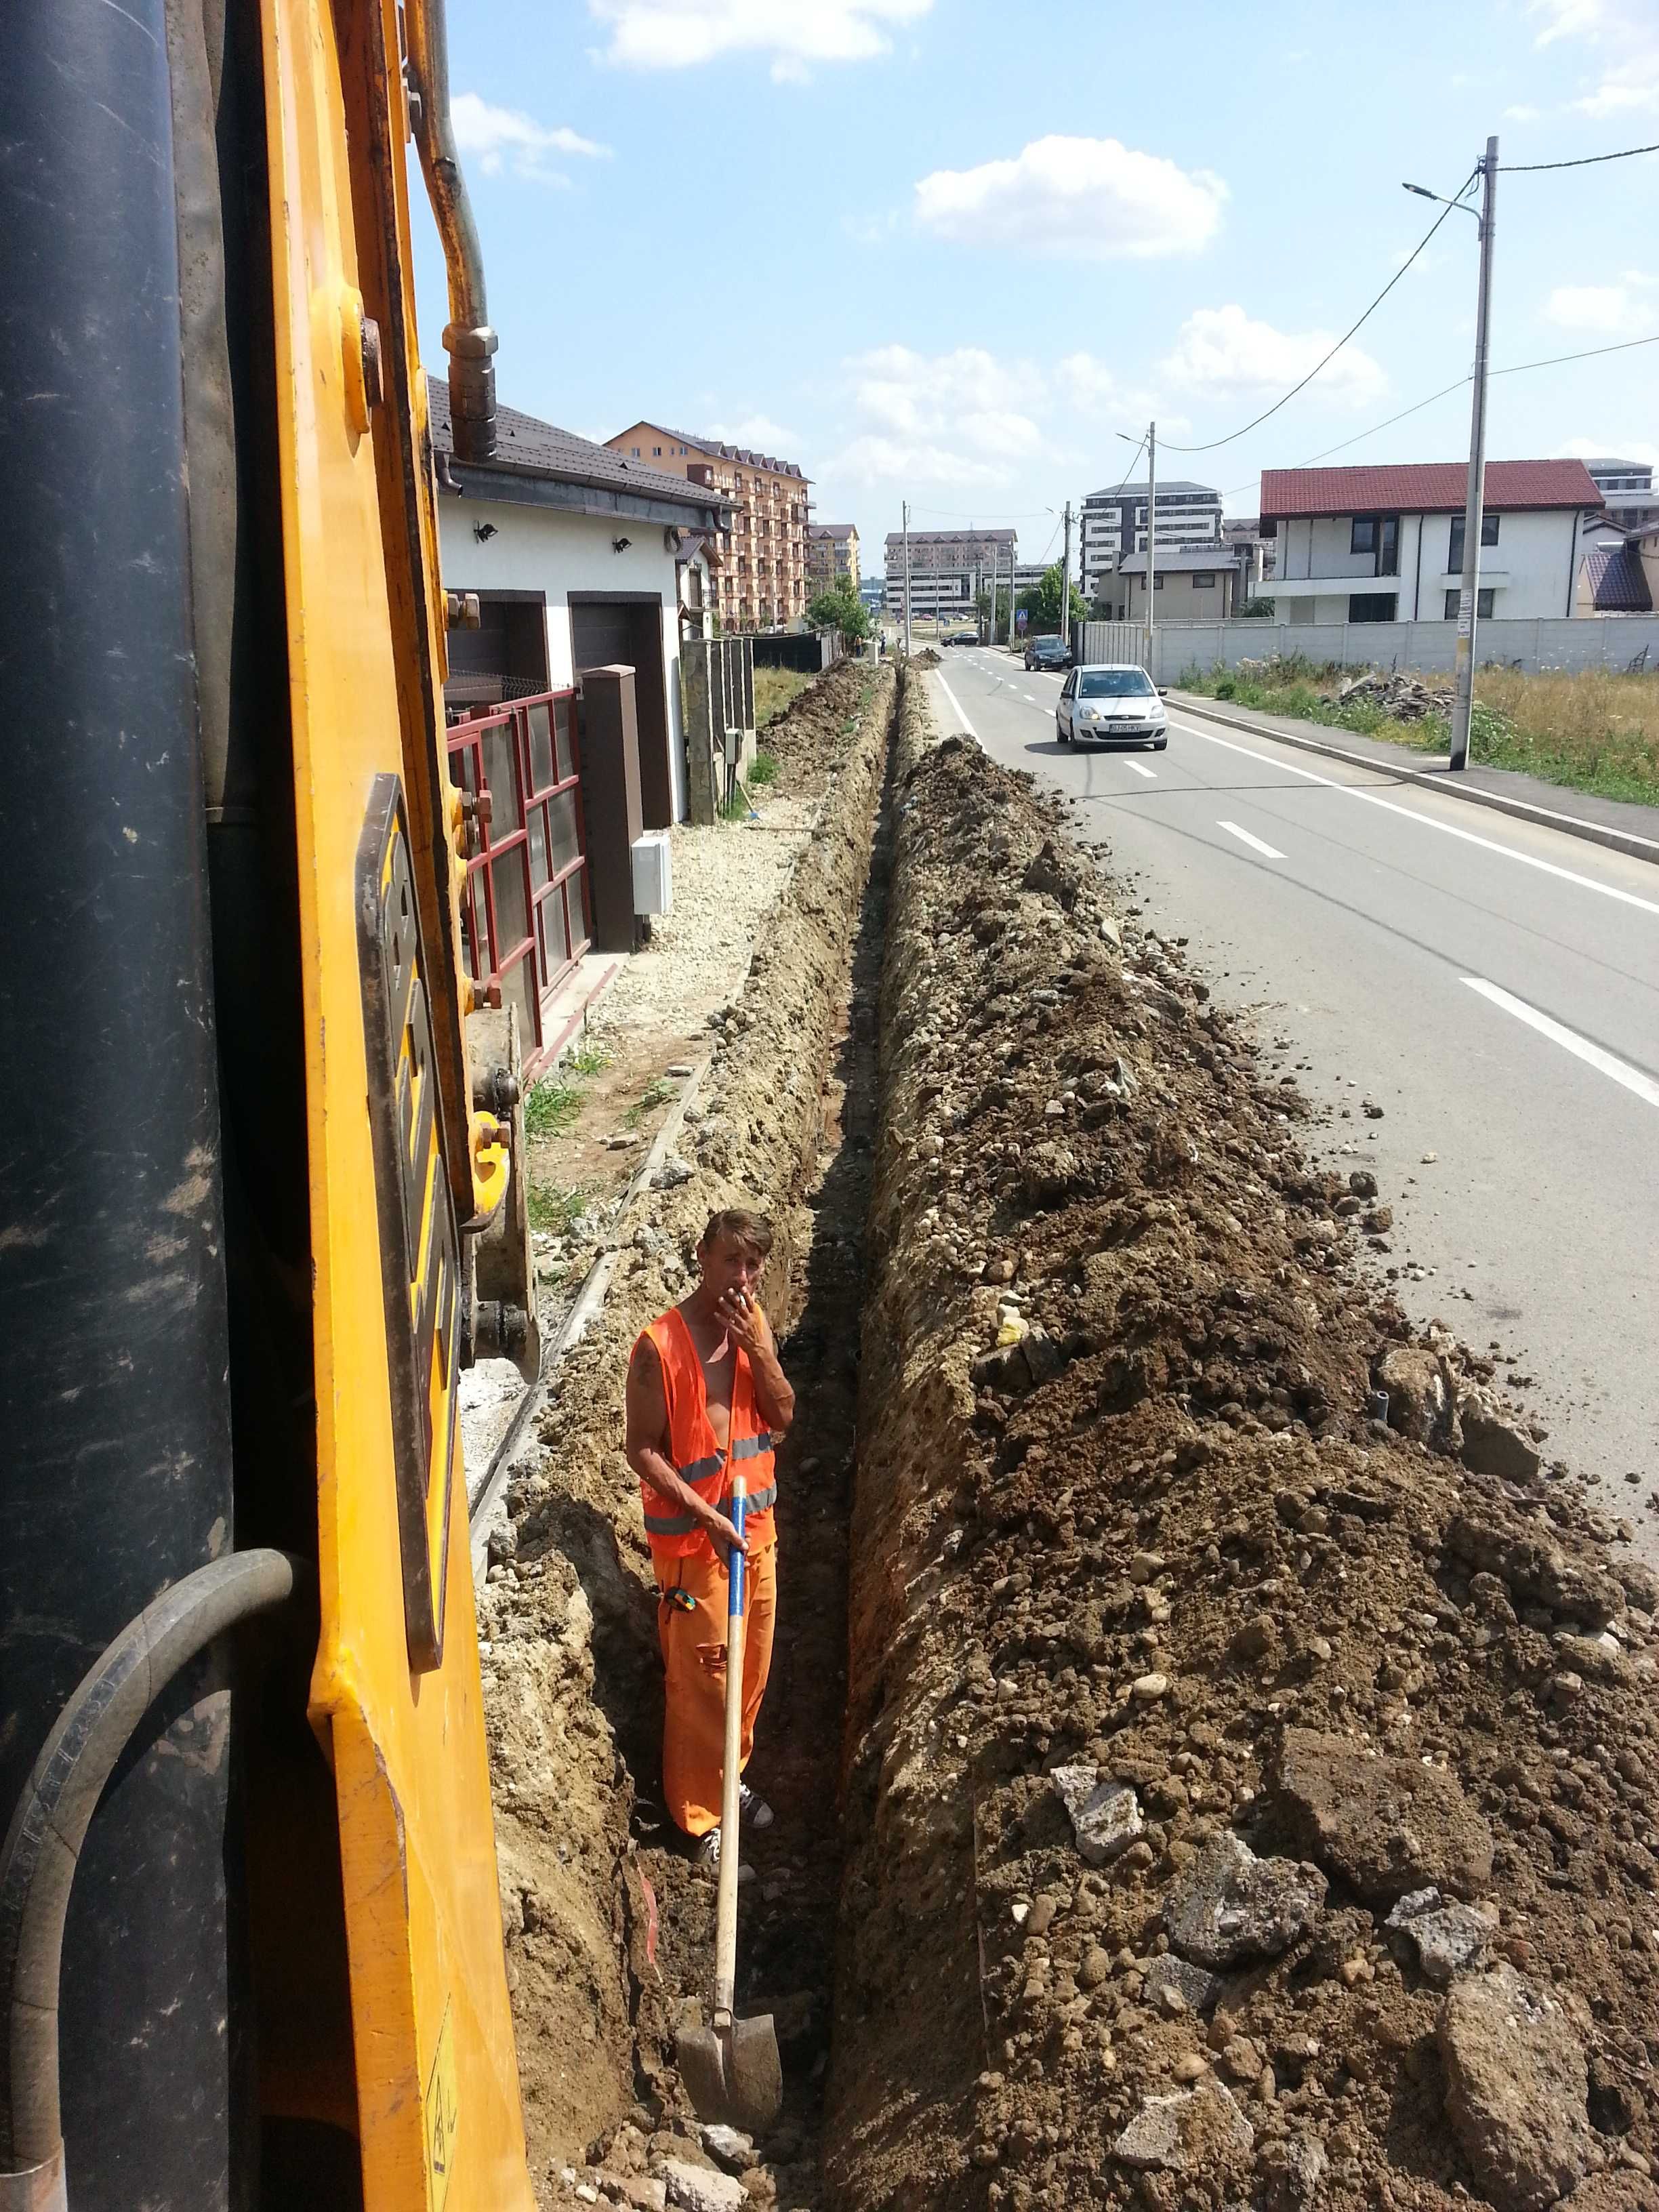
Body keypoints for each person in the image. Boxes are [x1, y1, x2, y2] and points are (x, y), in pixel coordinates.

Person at [625, 1208, 795, 1868]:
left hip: (756, 1537)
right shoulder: (659, 1348)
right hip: (697, 1550)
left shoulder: (754, 1331)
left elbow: (782, 1415)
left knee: (748, 1675)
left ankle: (731, 1777)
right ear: (702, 1257)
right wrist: (703, 1513)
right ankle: (699, 1823)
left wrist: (759, 1349)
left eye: (753, 1266)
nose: (742, 1278)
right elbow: (641, 1450)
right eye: (731, 1261)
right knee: (702, 1685)